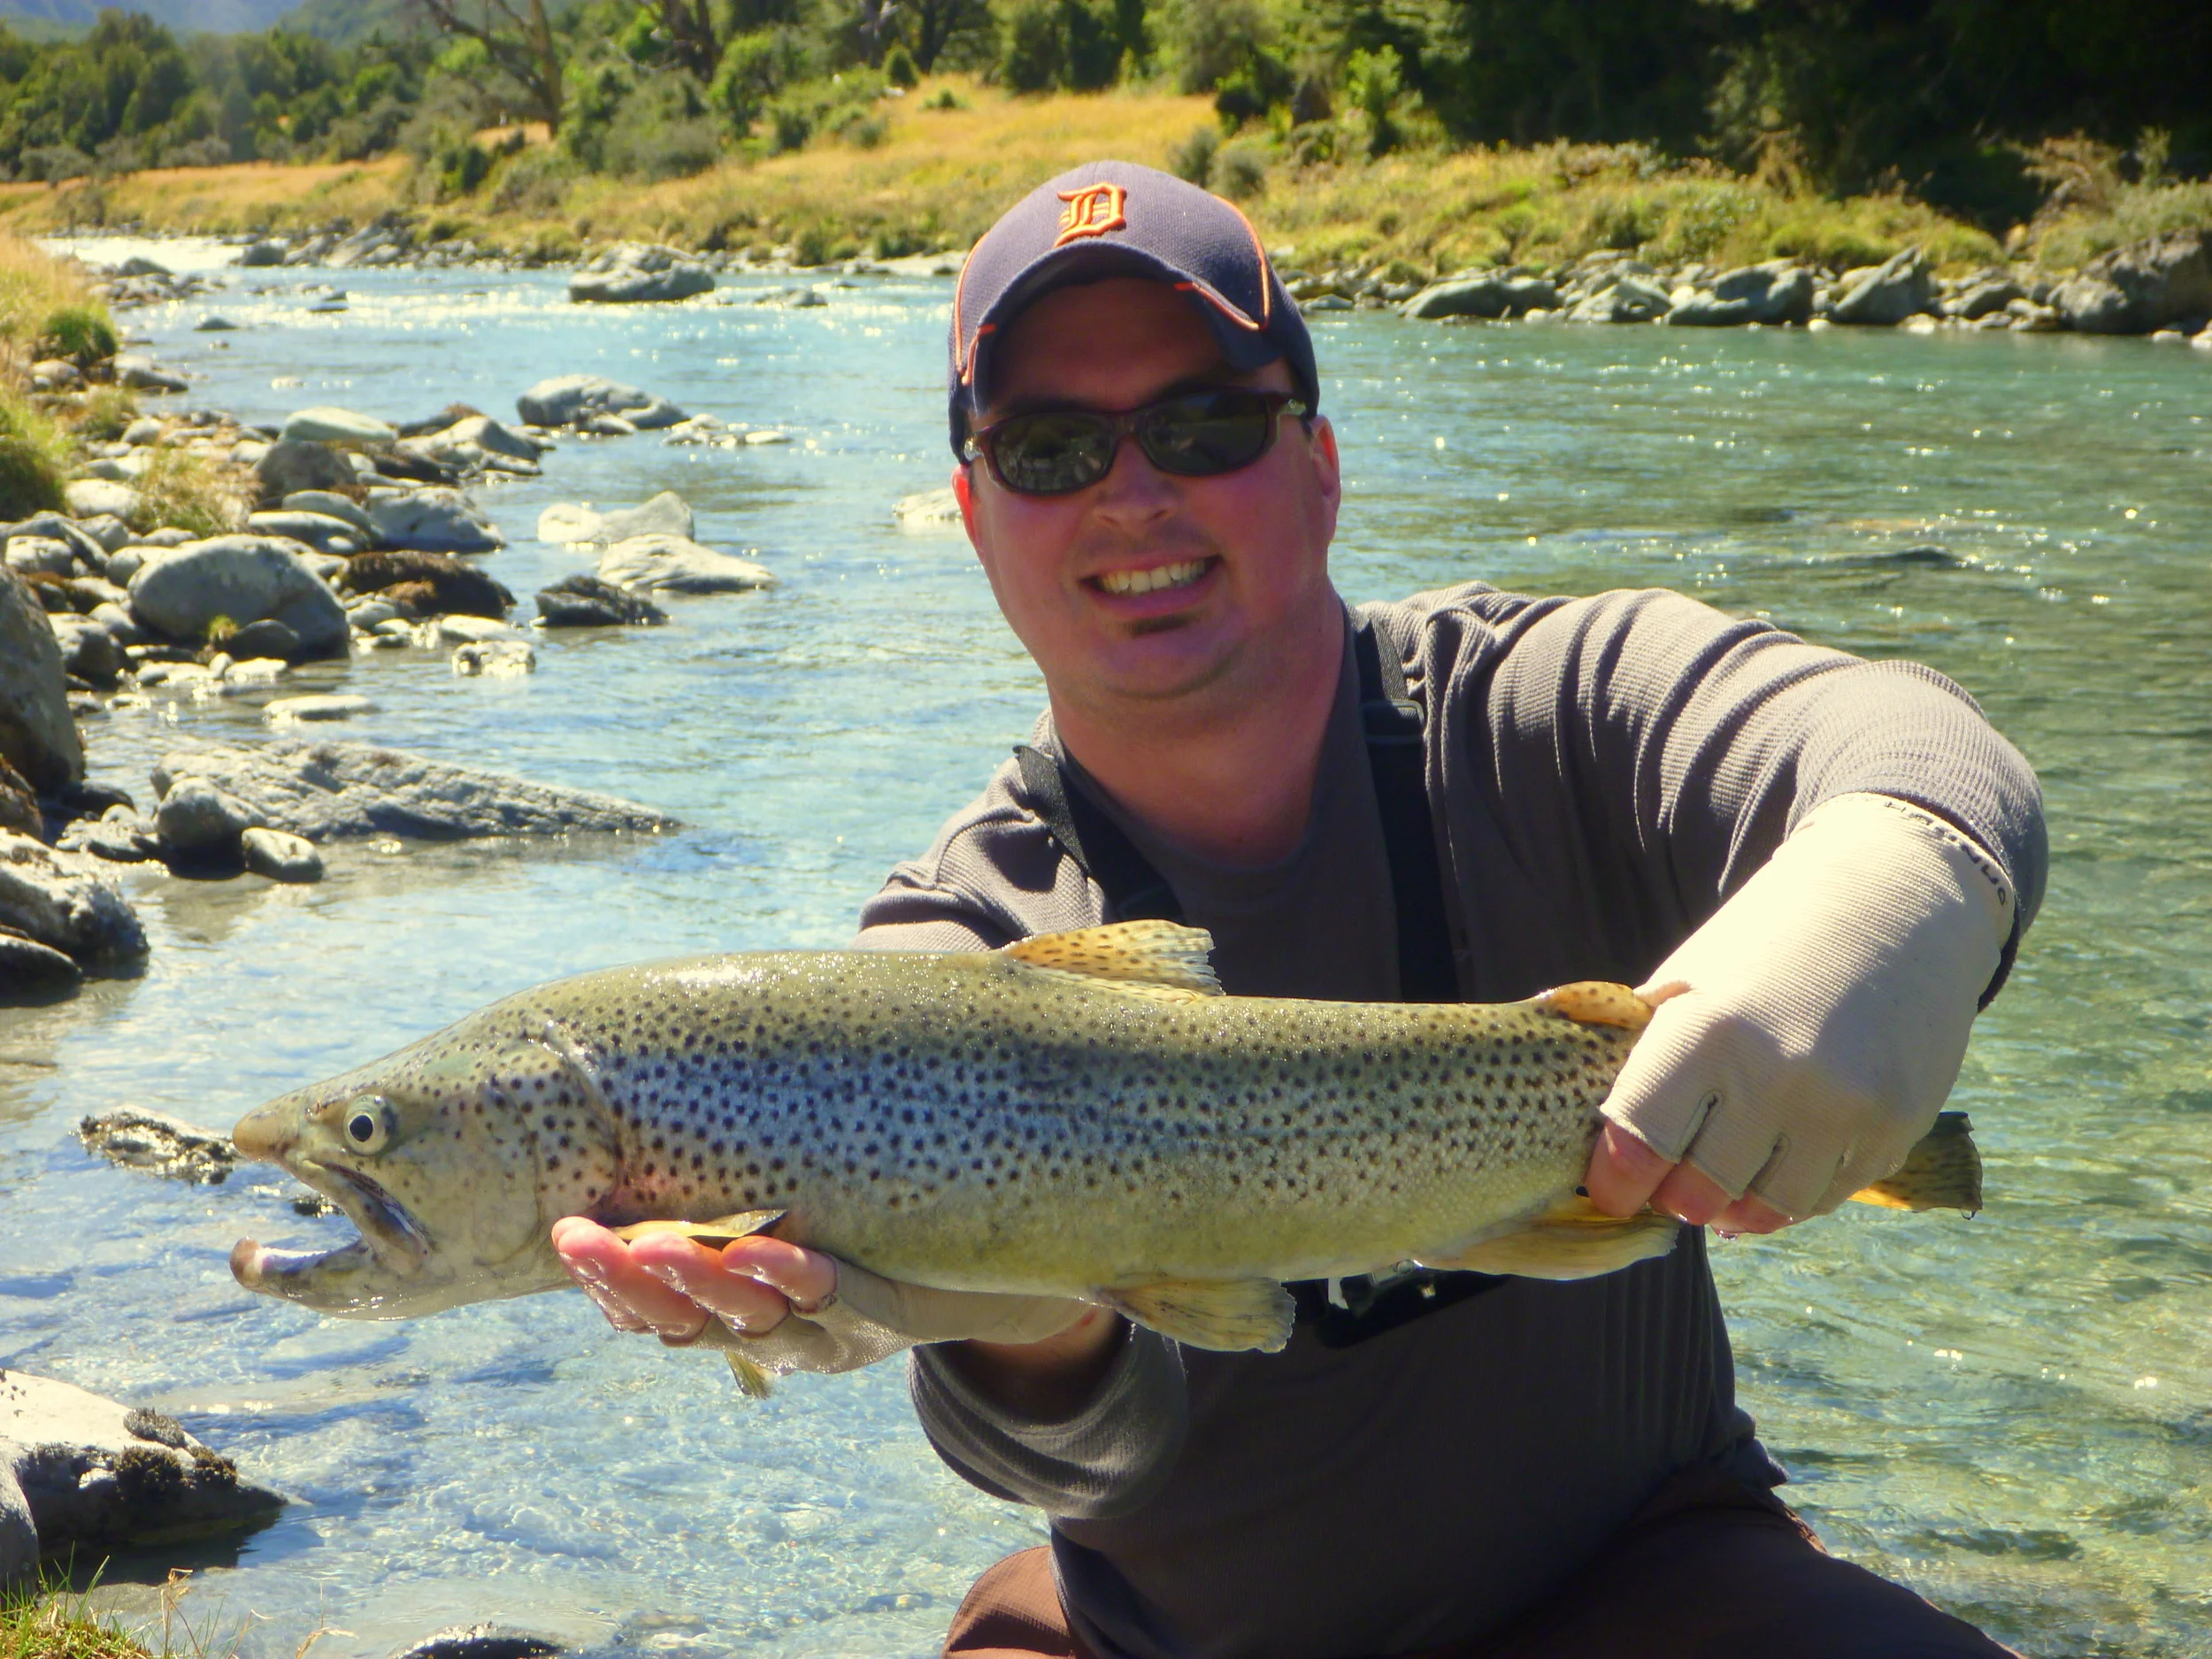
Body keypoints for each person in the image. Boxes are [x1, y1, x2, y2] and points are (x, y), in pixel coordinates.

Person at [551, 162, 2045, 1658]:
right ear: (973, 513)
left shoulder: (1543, 709)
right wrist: (1023, 1309)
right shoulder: (961, 940)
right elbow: (1072, 1467)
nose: (1132, 491)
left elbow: (1920, 749)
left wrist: (1881, 908)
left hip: (1649, 1581)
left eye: (1205, 424)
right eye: (1051, 446)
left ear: (1322, 462)